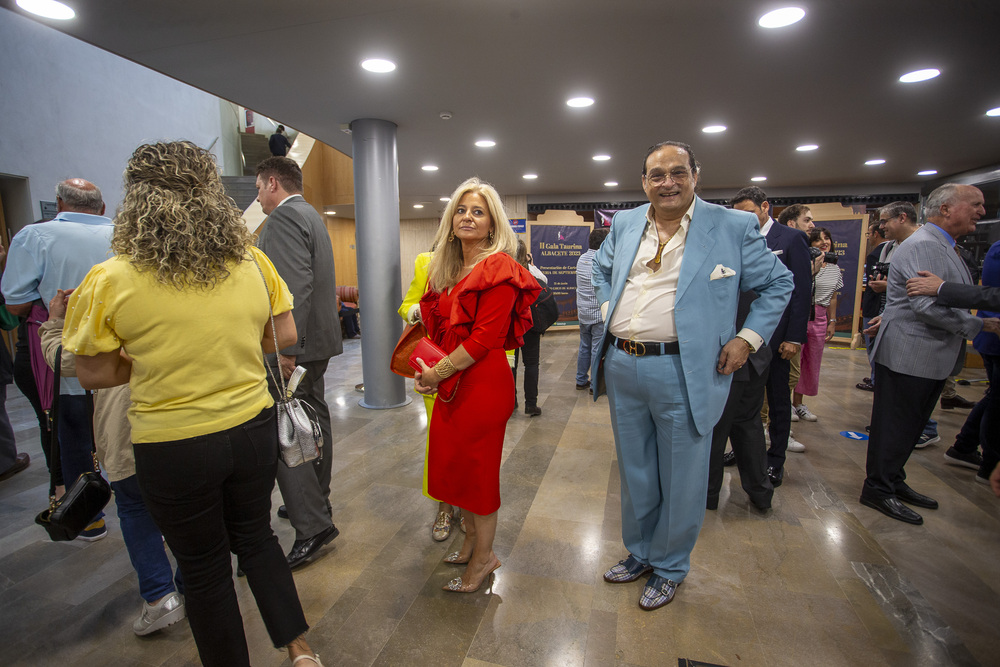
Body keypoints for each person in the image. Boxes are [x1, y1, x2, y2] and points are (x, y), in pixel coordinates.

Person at [63, 141, 320, 666]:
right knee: (257, 538)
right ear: (212, 194)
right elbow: (284, 333)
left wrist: (157, 357)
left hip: (173, 443)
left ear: (137, 198)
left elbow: (91, 372)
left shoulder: (111, 276)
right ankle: (302, 653)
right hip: (251, 427)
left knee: (202, 568)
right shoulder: (250, 260)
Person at [592, 142, 792, 611]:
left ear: (695, 176)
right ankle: (641, 552)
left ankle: (670, 566)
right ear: (643, 182)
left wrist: (747, 338)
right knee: (636, 469)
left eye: (677, 172)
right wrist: (607, 308)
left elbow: (779, 283)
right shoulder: (624, 223)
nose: (667, 182)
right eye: (656, 175)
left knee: (682, 474)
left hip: (686, 368)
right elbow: (601, 272)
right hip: (623, 363)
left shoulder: (733, 225)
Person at [412, 177, 539, 594]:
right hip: (451, 383)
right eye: (462, 210)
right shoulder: (446, 267)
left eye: (478, 212)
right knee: (457, 472)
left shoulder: (498, 267)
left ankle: (484, 558)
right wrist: (426, 372)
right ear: (451, 220)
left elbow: (483, 340)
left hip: (482, 386)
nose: (468, 216)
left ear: (491, 223)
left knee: (479, 476)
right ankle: (470, 541)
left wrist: (438, 373)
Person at [41, 290, 186, 636]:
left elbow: (66, 361)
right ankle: (193, 585)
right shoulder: (189, 292)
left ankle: (159, 599)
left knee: (135, 507)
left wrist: (55, 323)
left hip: (128, 429)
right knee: (191, 507)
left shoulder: (110, 294)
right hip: (188, 423)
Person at [861, 183, 999, 526]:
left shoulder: (941, 245)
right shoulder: (926, 245)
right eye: (975, 204)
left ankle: (893, 480)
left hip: (925, 354)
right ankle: (878, 488)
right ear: (947, 209)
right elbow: (925, 305)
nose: (982, 212)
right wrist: (979, 326)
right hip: (911, 351)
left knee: (912, 425)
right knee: (895, 426)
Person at [2, 178, 114, 540]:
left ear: (59, 206)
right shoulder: (123, 236)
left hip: (68, 354)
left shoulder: (34, 238)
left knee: (74, 434)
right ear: (101, 208)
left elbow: (15, 302)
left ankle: (89, 518)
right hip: (121, 355)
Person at [255, 156, 342, 570]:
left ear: (273, 183)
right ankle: (315, 499)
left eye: (258, 188)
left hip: (297, 346)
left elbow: (293, 289)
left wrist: (286, 349)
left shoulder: (284, 220)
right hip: (316, 344)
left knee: (287, 432)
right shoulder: (310, 214)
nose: (257, 197)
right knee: (312, 420)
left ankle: (312, 524)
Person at [731, 190, 811, 481]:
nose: (744, 219)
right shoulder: (736, 240)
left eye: (749, 212)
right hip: (743, 337)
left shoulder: (791, 239)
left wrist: (794, 337)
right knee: (744, 403)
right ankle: (741, 451)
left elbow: (800, 291)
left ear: (765, 207)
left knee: (778, 401)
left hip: (778, 338)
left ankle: (775, 459)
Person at [907, 239, 1000, 484]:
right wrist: (943, 289)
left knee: (994, 397)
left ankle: (967, 447)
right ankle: (985, 461)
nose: (980, 211)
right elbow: (993, 294)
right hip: (995, 338)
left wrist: (943, 288)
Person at [398, 249, 463, 542]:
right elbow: (407, 304)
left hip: (474, 366)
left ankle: (468, 504)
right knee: (439, 441)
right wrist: (417, 311)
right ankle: (444, 507)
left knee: (471, 444)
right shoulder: (428, 261)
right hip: (435, 365)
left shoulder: (489, 264)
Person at [707, 289, 775, 512]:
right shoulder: (760, 262)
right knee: (748, 424)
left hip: (729, 354)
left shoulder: (729, 258)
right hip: (754, 352)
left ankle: (709, 494)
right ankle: (760, 491)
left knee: (716, 428)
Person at [792, 228, 843, 420]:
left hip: (820, 316)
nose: (824, 242)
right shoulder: (803, 264)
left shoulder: (834, 268)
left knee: (811, 362)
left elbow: (834, 296)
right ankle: (784, 402)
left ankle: (798, 403)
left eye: (827, 238)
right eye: (818, 239)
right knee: (793, 362)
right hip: (802, 313)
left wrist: (832, 320)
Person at [512, 239, 545, 416]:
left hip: (510, 327)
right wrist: (531, 263)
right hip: (530, 325)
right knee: (531, 364)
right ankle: (531, 404)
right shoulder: (532, 272)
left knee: (512, 365)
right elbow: (544, 282)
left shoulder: (505, 271)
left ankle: (512, 402)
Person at [576, 228, 609, 391]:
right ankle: (595, 384)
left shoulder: (581, 259)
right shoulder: (603, 261)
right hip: (597, 314)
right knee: (596, 349)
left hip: (583, 313)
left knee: (584, 347)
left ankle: (581, 380)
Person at [857, 220, 888, 391]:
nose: (868, 237)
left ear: (876, 234)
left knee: (874, 348)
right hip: (879, 307)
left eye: (869, 234)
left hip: (877, 307)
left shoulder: (876, 255)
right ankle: (876, 378)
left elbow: (874, 283)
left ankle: (877, 380)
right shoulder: (881, 253)